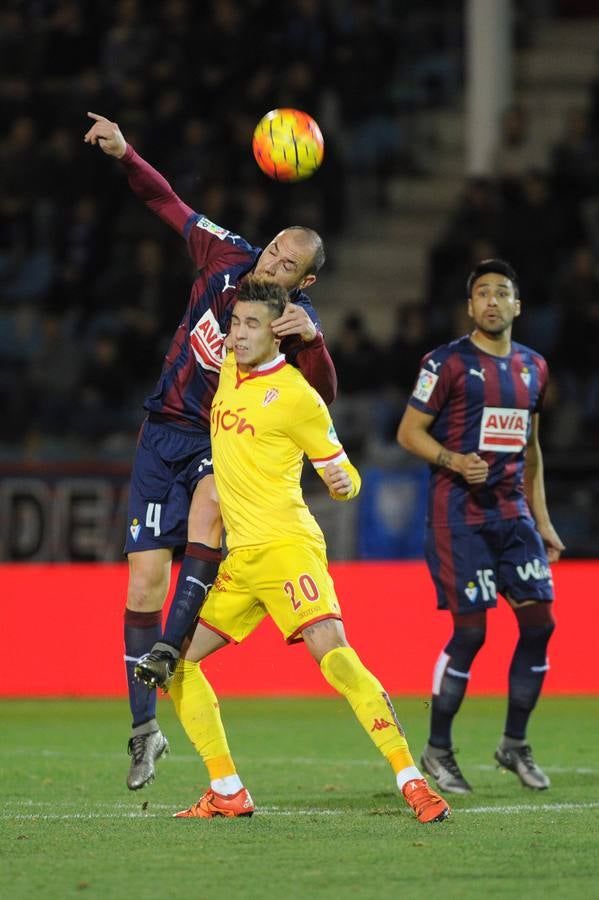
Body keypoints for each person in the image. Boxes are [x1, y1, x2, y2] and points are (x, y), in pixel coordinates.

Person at [83, 112, 337, 791]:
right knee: (142, 582)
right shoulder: (226, 255)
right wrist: (126, 152)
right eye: (276, 247)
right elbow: (167, 202)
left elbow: (325, 394)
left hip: (221, 441)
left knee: (210, 512)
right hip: (160, 430)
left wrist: (311, 339)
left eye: (289, 262)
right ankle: (144, 729)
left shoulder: (291, 326)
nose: (274, 259)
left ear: (304, 282)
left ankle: (172, 648)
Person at [136, 277, 450, 824]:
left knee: (335, 656)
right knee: (176, 665)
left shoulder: (299, 398)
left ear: (277, 334)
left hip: (287, 548)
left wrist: (342, 480)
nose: (237, 334)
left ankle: (413, 780)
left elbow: (343, 472)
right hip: (240, 561)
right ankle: (227, 789)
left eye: (251, 325)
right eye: (235, 323)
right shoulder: (230, 371)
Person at [396, 259, 564, 795]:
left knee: (539, 624)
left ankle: (513, 744)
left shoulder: (534, 367)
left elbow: (530, 447)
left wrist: (544, 521)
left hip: (513, 516)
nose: (492, 301)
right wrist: (451, 458)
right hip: (458, 516)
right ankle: (438, 750)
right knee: (472, 632)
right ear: (470, 307)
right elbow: (408, 432)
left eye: (502, 293)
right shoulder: (444, 362)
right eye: (482, 294)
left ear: (518, 306)